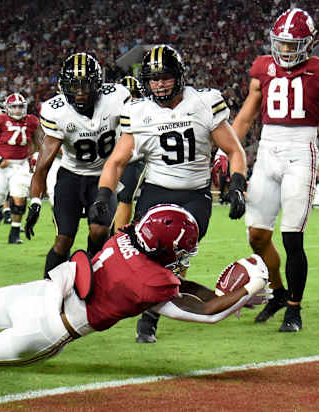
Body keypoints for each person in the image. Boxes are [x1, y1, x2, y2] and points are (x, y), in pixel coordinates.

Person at [0, 204, 271, 369]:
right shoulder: (150, 284)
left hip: (37, 293)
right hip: (49, 328)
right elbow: (202, 313)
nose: (183, 257)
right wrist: (250, 285)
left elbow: (180, 286)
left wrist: (227, 297)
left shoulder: (123, 238)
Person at [94, 45, 248, 343]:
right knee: (138, 255)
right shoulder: (138, 111)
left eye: (165, 77)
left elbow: (234, 150)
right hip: (156, 191)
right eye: (153, 79)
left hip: (194, 195)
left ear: (178, 76)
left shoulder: (203, 102)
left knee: (173, 260)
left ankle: (150, 316)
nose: (159, 84)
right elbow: (116, 160)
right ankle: (127, 303)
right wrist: (103, 195)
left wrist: (238, 186)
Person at [225, 8, 319, 331]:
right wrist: (229, 150)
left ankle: (294, 308)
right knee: (257, 236)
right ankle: (278, 292)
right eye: (282, 44)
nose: (286, 50)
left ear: (308, 44)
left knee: (292, 237)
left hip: (300, 153)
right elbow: (246, 117)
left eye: (293, 45)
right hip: (266, 151)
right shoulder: (262, 67)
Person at [26, 53, 130, 272]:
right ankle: (50, 289)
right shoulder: (56, 111)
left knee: (99, 232)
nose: (80, 93)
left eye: (85, 86)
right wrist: (35, 202)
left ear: (97, 85)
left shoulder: (116, 99)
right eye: (74, 87)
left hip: (104, 175)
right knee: (63, 240)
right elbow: (43, 166)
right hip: (71, 175)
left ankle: (92, 271)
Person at [0, 92, 39, 244]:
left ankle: (14, 233)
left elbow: (38, 142)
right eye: (14, 107)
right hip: (2, 164)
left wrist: (34, 156)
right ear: (7, 108)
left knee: (20, 198)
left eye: (20, 106)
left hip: (21, 164)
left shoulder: (32, 121)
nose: (17, 110)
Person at [112, 75, 146, 233]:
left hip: (134, 160)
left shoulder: (143, 112)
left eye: (133, 95)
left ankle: (118, 240)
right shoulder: (108, 113)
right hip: (112, 161)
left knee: (126, 198)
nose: (131, 99)